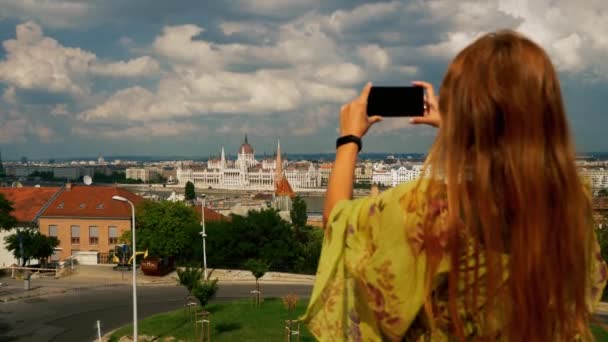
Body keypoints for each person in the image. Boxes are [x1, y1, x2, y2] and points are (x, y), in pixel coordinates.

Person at [301, 30, 608, 341]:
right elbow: (509, 155)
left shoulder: (429, 209)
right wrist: (464, 127)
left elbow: (337, 221)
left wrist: (348, 139)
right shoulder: (570, 203)